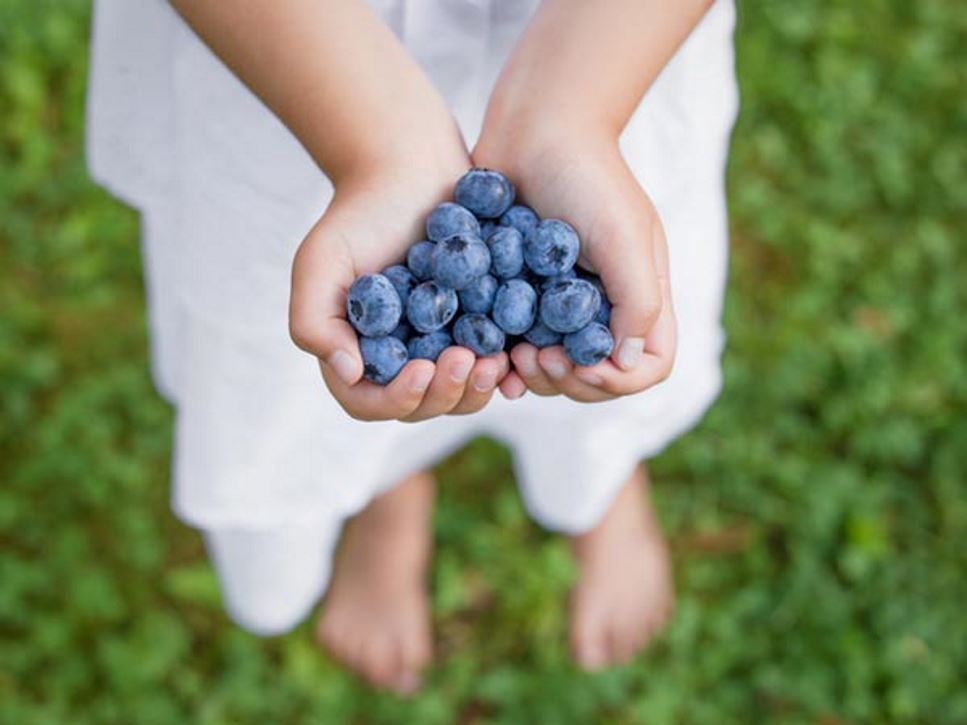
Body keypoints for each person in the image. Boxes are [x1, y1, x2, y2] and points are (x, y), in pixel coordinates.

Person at [87, 0, 737, 694]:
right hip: (297, 59)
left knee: (592, 341)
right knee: (399, 377)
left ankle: (598, 483)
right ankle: (387, 489)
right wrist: (374, 146)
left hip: (612, 43)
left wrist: (570, 115)